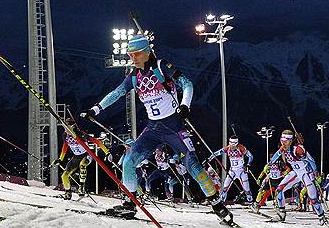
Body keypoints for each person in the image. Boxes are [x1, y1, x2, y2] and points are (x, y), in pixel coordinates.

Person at [81, 34, 233, 224]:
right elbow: (117, 92)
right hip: (153, 129)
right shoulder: (134, 76)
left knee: (194, 167)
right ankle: (129, 204)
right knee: (128, 161)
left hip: (174, 127)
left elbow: (187, 84)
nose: (132, 58)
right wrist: (96, 109)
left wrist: (185, 105)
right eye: (130, 55)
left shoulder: (162, 67)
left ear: (146, 53)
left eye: (136, 54)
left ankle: (218, 205)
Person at [268, 129, 328, 225]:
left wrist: (315, 171)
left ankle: (321, 216)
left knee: (313, 198)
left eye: (286, 140)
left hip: (306, 174)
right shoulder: (283, 148)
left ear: (291, 140)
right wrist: (270, 163)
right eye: (282, 139)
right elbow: (276, 155)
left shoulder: (298, 149)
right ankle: (281, 214)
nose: (283, 142)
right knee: (279, 190)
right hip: (296, 172)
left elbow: (311, 160)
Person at [57, 121, 108, 199]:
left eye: (67, 128)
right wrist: (60, 159)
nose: (66, 130)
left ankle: (82, 187)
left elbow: (97, 141)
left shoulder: (80, 134)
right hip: (76, 157)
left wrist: (107, 152)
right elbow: (65, 146)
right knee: (64, 176)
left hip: (86, 155)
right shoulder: (65, 135)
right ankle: (68, 192)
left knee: (82, 165)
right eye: (65, 128)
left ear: (73, 126)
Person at [208, 135, 254, 203]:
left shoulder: (241, 147)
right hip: (232, 171)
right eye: (231, 143)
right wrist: (210, 158)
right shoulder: (228, 148)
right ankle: (221, 201)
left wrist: (248, 164)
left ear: (236, 143)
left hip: (241, 171)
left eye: (234, 144)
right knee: (225, 188)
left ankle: (250, 201)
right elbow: (217, 153)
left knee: (247, 190)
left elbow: (250, 156)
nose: (232, 146)